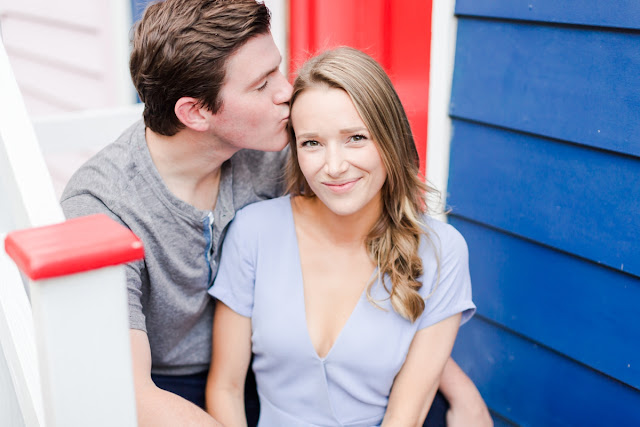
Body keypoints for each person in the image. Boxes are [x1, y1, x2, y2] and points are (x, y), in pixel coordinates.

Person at [61, 0, 490, 425]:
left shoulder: (277, 151)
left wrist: (461, 389)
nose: (287, 91)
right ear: (196, 112)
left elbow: (388, 274)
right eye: (263, 83)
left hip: (283, 362)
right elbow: (130, 389)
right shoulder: (100, 208)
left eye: (278, 69)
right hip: (171, 387)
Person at [205, 46, 482, 426]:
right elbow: (225, 389)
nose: (334, 167)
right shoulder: (254, 232)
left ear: (390, 138)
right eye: (312, 143)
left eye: (355, 138)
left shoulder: (442, 251)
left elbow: (407, 413)